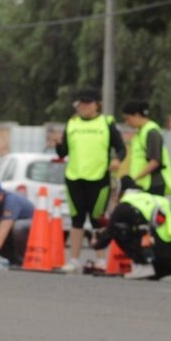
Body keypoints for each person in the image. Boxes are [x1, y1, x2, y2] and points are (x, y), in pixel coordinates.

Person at [55, 87, 126, 274]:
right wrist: (58, 146)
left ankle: (100, 260)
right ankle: (74, 260)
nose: (84, 106)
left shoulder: (106, 123)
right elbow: (63, 152)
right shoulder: (72, 124)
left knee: (97, 220)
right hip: (74, 177)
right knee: (76, 220)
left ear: (97, 105)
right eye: (81, 103)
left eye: (88, 103)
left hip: (98, 178)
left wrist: (117, 160)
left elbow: (121, 148)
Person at [93, 176, 171, 282]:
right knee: (151, 273)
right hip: (170, 248)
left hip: (154, 248)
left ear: (122, 190)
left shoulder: (125, 205)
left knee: (118, 229)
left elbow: (110, 231)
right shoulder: (151, 199)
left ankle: (141, 265)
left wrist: (95, 244)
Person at [121, 99, 171, 197]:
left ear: (137, 115)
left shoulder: (151, 132)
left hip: (152, 185)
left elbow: (155, 162)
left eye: (128, 118)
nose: (127, 123)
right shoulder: (141, 133)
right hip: (142, 184)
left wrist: (135, 178)